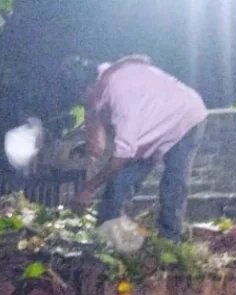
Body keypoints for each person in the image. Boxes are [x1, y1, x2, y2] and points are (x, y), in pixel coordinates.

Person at [68, 55, 208, 241]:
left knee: (173, 183)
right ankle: (107, 238)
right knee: (119, 181)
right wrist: (88, 146)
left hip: (185, 116)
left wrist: (88, 190)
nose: (84, 104)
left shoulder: (120, 90)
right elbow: (103, 140)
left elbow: (122, 155)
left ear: (90, 87)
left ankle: (170, 239)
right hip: (152, 123)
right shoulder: (103, 81)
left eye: (83, 99)